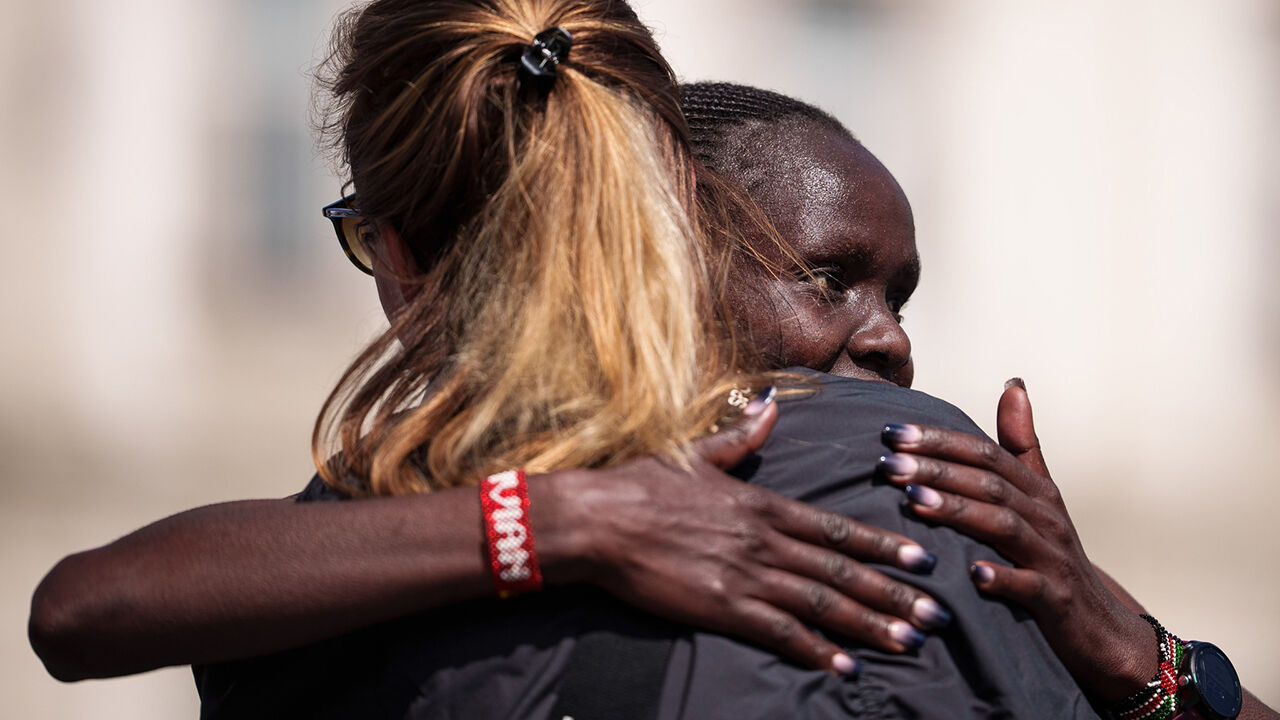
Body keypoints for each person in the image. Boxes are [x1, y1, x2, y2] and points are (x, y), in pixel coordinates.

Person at [26, 2, 1272, 712]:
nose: (885, 337)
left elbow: (90, 606)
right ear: (675, 242)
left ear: (400, 256)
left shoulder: (364, 539)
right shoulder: (886, 474)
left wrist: (1140, 650)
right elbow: (89, 604)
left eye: (898, 293)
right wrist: (569, 522)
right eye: (827, 280)